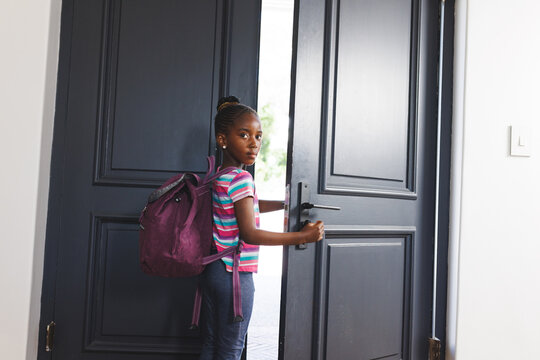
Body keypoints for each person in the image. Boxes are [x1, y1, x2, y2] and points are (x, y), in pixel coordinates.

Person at [199, 96, 324, 359]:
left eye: (258, 136)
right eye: (244, 135)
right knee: (231, 348)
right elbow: (250, 233)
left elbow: (245, 206)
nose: (253, 143)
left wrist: (283, 204)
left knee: (211, 344)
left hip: (212, 271)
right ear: (223, 139)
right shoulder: (243, 178)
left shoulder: (218, 175)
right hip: (235, 275)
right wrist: (304, 235)